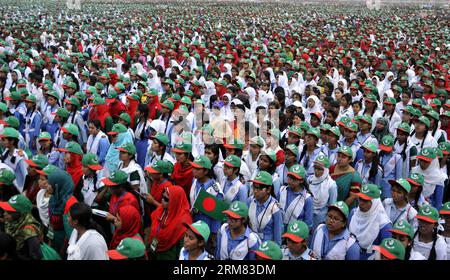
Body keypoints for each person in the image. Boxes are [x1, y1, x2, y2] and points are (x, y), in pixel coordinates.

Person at [348, 184, 392, 259]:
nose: (361, 203)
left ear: (375, 202)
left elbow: (384, 252)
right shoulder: (353, 213)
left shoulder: (384, 225)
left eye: (365, 200)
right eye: (360, 198)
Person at [148, 185, 192, 260]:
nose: (162, 200)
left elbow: (183, 249)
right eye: (162, 197)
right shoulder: (161, 210)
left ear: (175, 201)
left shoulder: (183, 222)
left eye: (166, 199)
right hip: (156, 250)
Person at [189, 155, 223, 252]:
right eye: (193, 167)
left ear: (206, 171)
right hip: (195, 221)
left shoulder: (215, 188)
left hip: (207, 225)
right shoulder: (194, 181)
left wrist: (213, 234)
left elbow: (217, 215)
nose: (194, 170)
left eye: (197, 169)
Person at [0, 194, 42, 259]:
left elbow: (36, 255)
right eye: (5, 210)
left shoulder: (29, 231)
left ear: (20, 214)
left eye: (9, 212)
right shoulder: (12, 220)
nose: (4, 214)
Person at [47, 169, 78, 257]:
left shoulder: (70, 203)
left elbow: (70, 235)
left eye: (50, 184)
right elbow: (51, 221)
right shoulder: (54, 197)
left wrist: (61, 253)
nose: (47, 186)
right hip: (54, 239)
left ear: (57, 186)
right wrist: (50, 240)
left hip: (64, 245)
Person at [248, 171, 282, 245]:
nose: (255, 191)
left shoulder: (275, 208)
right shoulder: (250, 201)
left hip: (267, 246)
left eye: (259, 188)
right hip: (251, 243)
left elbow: (277, 235)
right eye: (254, 187)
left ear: (268, 189)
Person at [277, 164, 313, 231]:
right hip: (279, 229)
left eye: (294, 180)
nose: (290, 181)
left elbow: (308, 222)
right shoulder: (282, 190)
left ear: (301, 181)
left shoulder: (307, 198)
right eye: (289, 178)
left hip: (295, 231)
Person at [308, 155, 338, 229]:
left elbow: (332, 205)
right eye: (315, 168)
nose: (316, 171)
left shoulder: (331, 185)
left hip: (321, 217)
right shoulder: (310, 180)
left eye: (320, 169)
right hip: (308, 212)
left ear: (325, 170)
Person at [0, 127, 28, 192]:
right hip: (9, 185)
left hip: (19, 188)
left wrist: (25, 193)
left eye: (3, 140)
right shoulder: (6, 151)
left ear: (12, 141)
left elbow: (26, 176)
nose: (1, 142)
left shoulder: (20, 156)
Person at [378, 134, 403, 199]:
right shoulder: (378, 154)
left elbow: (398, 177)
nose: (385, 150)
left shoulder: (397, 157)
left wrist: (396, 191)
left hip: (389, 187)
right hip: (378, 183)